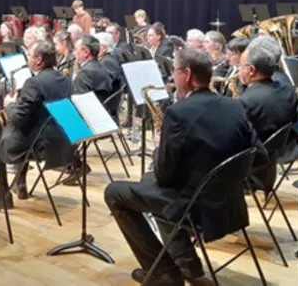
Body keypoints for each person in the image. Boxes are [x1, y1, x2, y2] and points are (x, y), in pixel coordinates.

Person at [104, 48, 267, 285]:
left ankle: (163, 273)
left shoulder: (178, 113)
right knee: (148, 182)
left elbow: (165, 176)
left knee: (114, 192)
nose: (172, 78)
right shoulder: (235, 106)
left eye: (174, 72)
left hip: (195, 209)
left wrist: (160, 147)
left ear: (187, 74)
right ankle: (186, 261)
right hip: (230, 205)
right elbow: (259, 155)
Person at [0, 40, 74, 207]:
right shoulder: (64, 78)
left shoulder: (34, 83)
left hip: (40, 144)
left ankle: (3, 194)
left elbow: (18, 118)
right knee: (19, 131)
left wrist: (9, 104)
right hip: (61, 139)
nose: (28, 60)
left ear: (39, 60)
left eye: (30, 56)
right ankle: (20, 183)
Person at [238, 36, 298, 191]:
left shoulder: (248, 101)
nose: (238, 69)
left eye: (240, 65)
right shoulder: (288, 89)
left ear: (251, 70)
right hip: (272, 156)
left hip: (251, 163)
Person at [73, 35, 112, 104]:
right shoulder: (100, 66)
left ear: (86, 52)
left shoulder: (84, 74)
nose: (74, 53)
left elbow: (80, 105)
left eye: (76, 49)